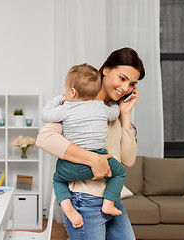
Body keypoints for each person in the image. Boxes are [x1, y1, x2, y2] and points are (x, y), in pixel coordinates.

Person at [36, 47, 145, 240]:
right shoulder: (75, 103)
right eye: (122, 78)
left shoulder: (112, 110)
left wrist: (125, 114)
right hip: (84, 199)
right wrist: (93, 159)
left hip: (111, 198)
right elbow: (44, 139)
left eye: (132, 84)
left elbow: (128, 160)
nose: (126, 88)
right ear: (106, 70)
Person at [40, 63, 127, 229]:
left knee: (58, 179)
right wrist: (115, 104)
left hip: (71, 167)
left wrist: (60, 98)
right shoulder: (101, 109)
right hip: (101, 162)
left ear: (72, 92)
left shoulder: (66, 108)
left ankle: (67, 206)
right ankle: (108, 203)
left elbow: (45, 114)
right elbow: (115, 114)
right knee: (120, 172)